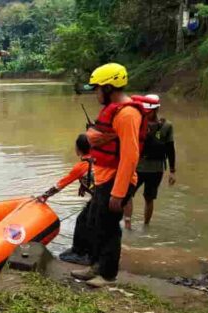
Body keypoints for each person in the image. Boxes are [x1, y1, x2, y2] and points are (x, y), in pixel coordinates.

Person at [71, 63, 147, 288]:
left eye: (97, 89)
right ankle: (95, 266)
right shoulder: (115, 110)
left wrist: (119, 192)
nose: (95, 93)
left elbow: (130, 157)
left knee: (108, 228)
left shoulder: (127, 115)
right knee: (94, 223)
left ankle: (107, 275)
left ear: (108, 87)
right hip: (105, 178)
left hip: (117, 181)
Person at [38, 134, 94, 266]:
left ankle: (83, 254)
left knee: (83, 221)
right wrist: (83, 184)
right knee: (85, 221)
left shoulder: (81, 166)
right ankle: (80, 250)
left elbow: (61, 184)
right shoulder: (96, 159)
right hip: (107, 195)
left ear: (78, 149)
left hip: (101, 198)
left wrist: (44, 196)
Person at [123, 94, 176, 229]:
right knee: (127, 194)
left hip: (156, 168)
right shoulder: (137, 122)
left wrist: (172, 171)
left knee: (149, 198)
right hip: (137, 167)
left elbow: (170, 149)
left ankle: (146, 226)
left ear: (156, 109)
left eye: (150, 111)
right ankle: (128, 224)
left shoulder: (166, 126)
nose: (147, 113)